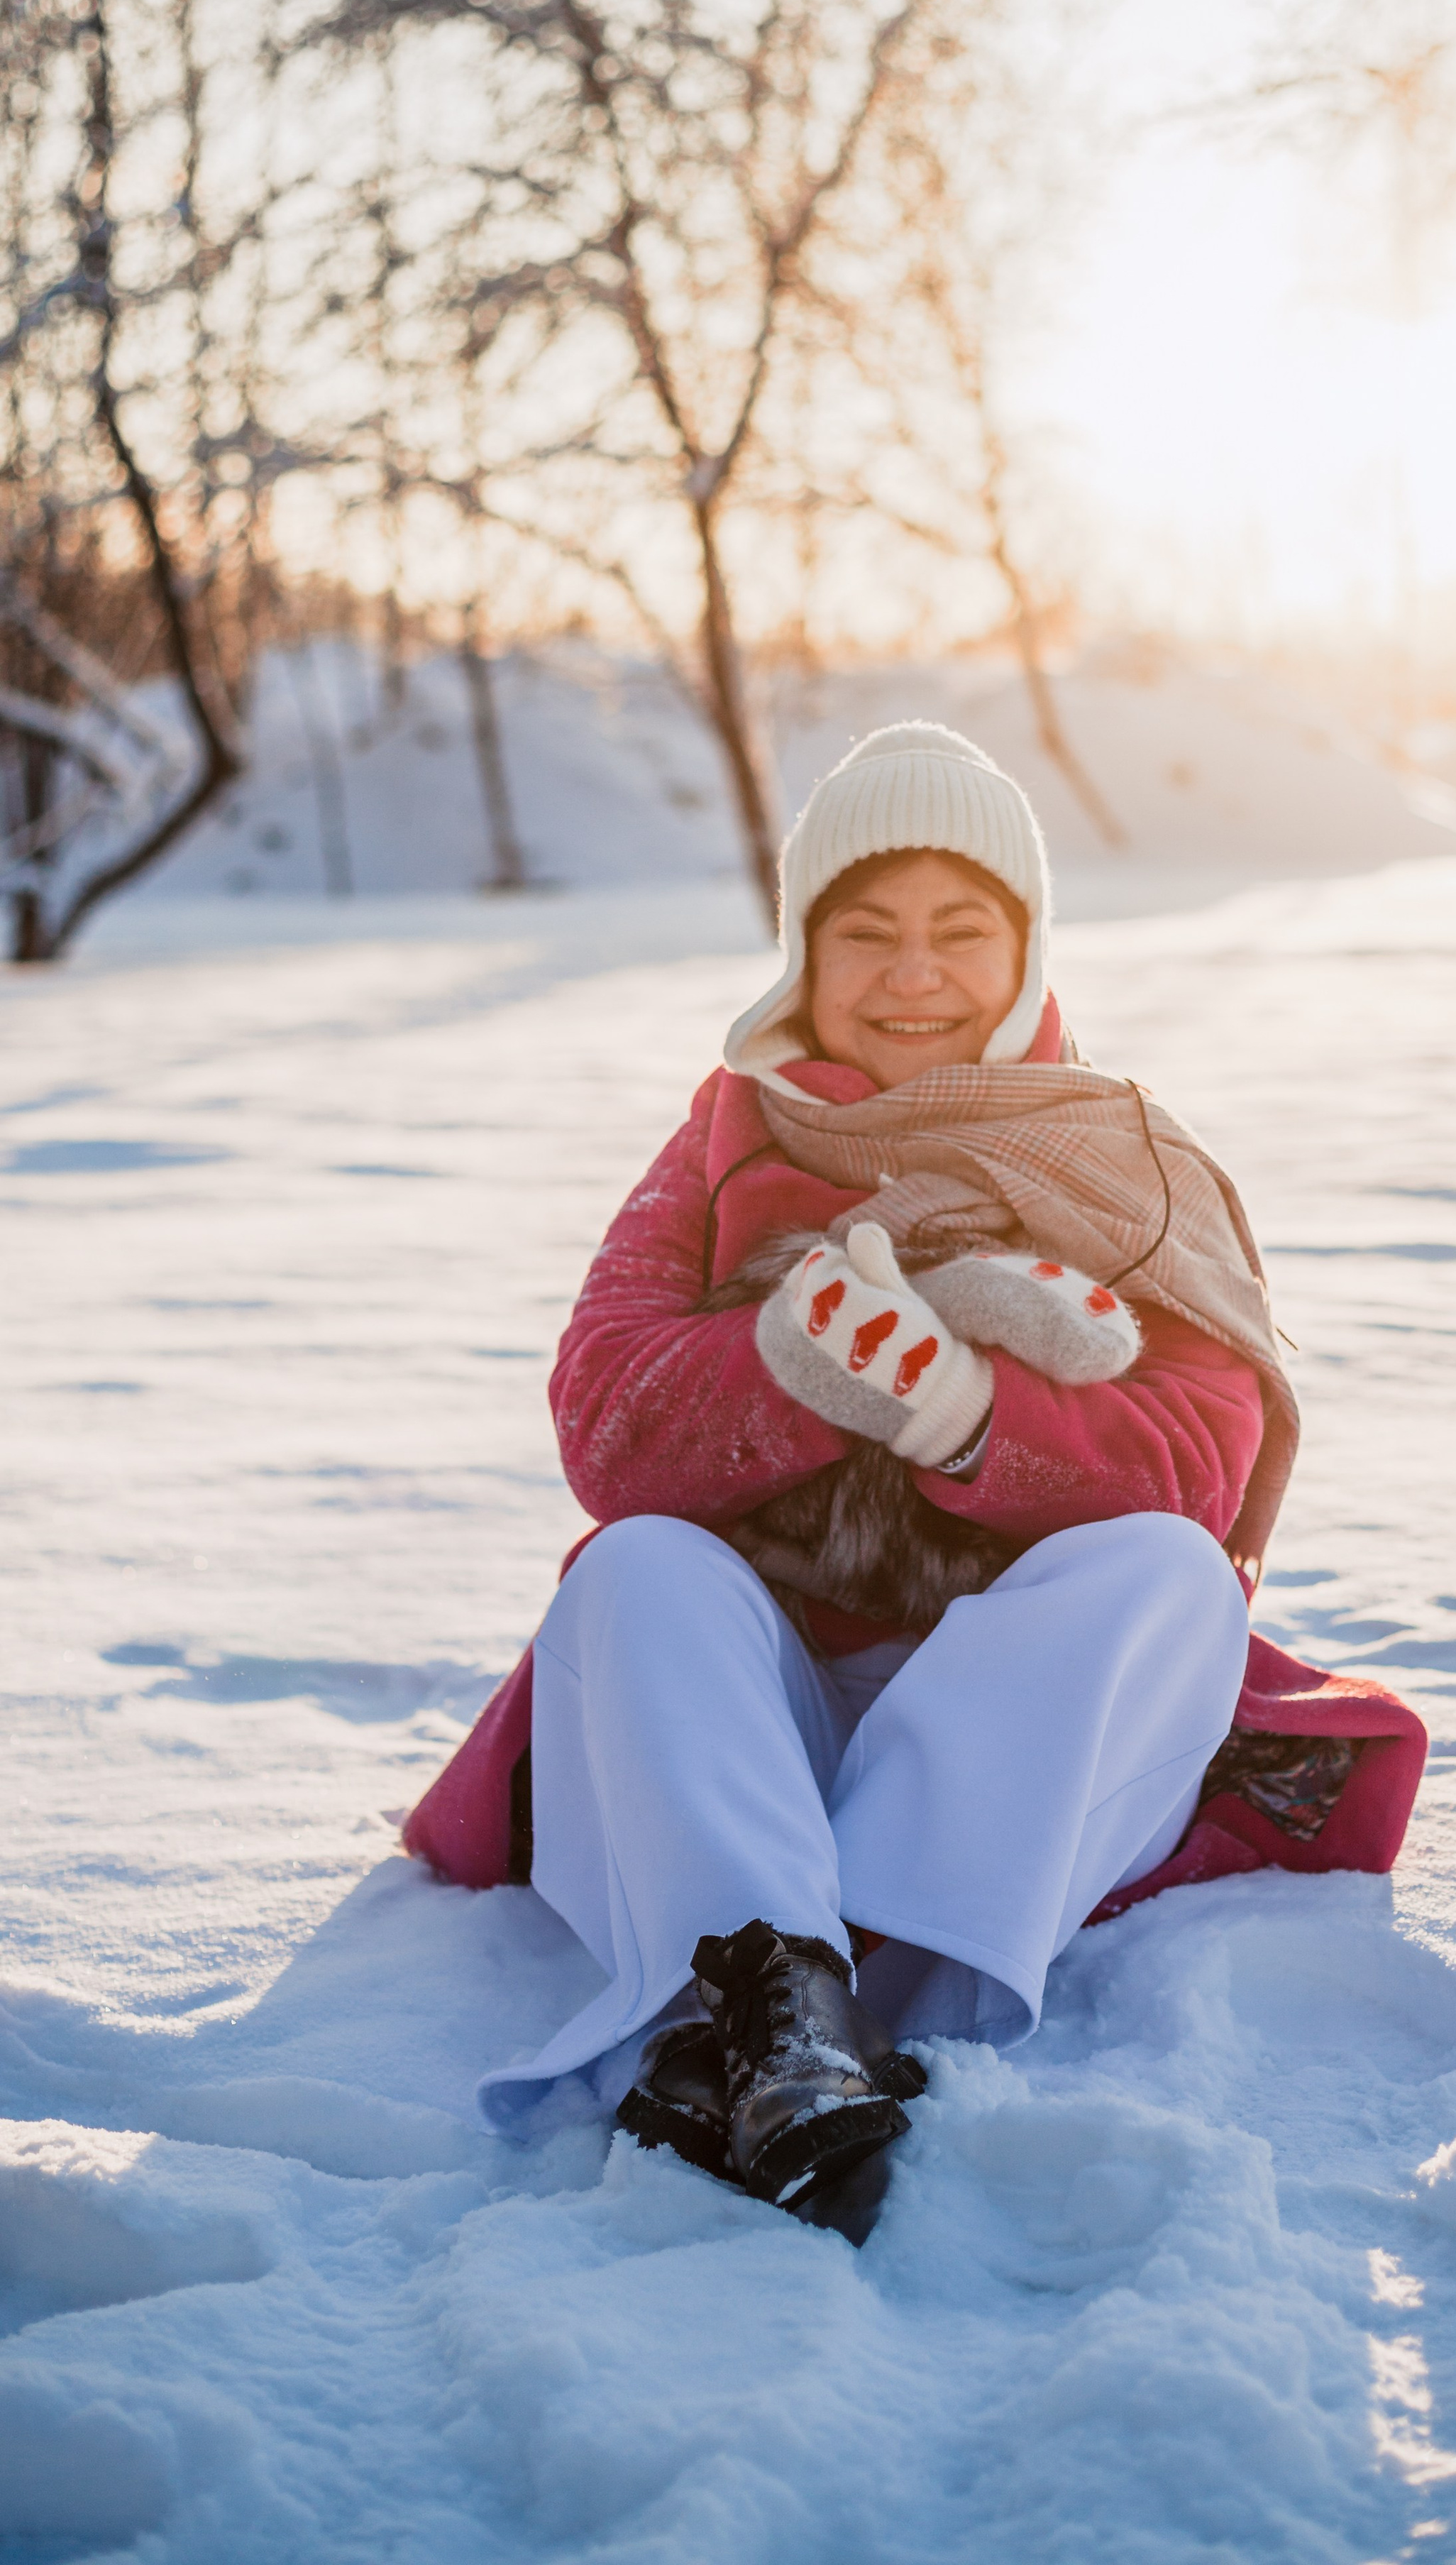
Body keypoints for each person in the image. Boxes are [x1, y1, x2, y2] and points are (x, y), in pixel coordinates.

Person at [460, 722, 1305, 2230]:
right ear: (802, 953)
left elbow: (1198, 1451)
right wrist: (788, 1374)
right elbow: (606, 1419)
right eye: (866, 933)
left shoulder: (1119, 1153)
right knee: (637, 1570)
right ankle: (771, 1994)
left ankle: (882, 1964)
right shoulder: (727, 1139)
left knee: (1167, 1570)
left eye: (960, 931)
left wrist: (966, 1416)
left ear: (1026, 945)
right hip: (754, 1710)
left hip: (1017, 1722)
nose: (914, 972)